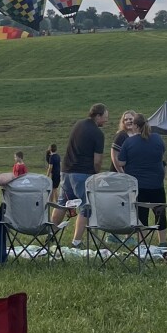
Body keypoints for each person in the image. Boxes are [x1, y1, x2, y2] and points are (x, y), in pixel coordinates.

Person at [52, 104, 108, 246]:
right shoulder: (98, 133)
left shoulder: (78, 124)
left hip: (66, 170)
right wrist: (96, 174)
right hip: (83, 173)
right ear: (98, 116)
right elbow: (97, 160)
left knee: (62, 204)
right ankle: (76, 241)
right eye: (105, 118)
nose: (106, 121)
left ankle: (50, 234)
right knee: (86, 206)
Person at [118, 111, 167, 244]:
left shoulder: (129, 142)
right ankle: (163, 242)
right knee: (160, 213)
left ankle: (143, 243)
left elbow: (120, 162)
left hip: (137, 184)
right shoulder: (157, 138)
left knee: (141, 215)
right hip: (157, 183)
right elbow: (162, 153)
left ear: (135, 125)